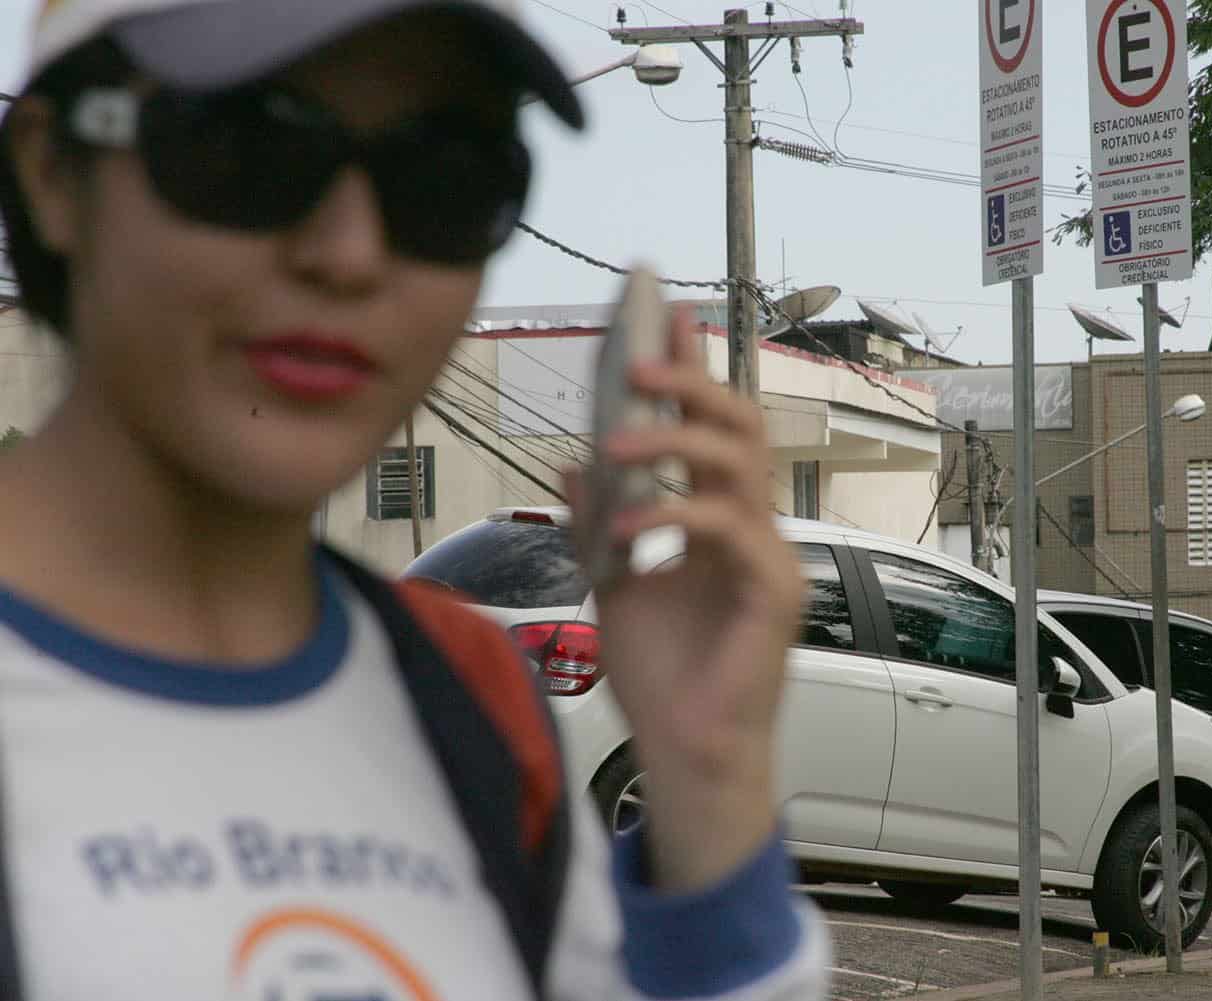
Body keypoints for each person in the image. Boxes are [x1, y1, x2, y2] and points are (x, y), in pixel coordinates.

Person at [0, 1, 827, 998]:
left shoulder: (470, 698)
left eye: (445, 173)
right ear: (52, 168)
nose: (349, 252)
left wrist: (711, 781)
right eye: (247, 143)